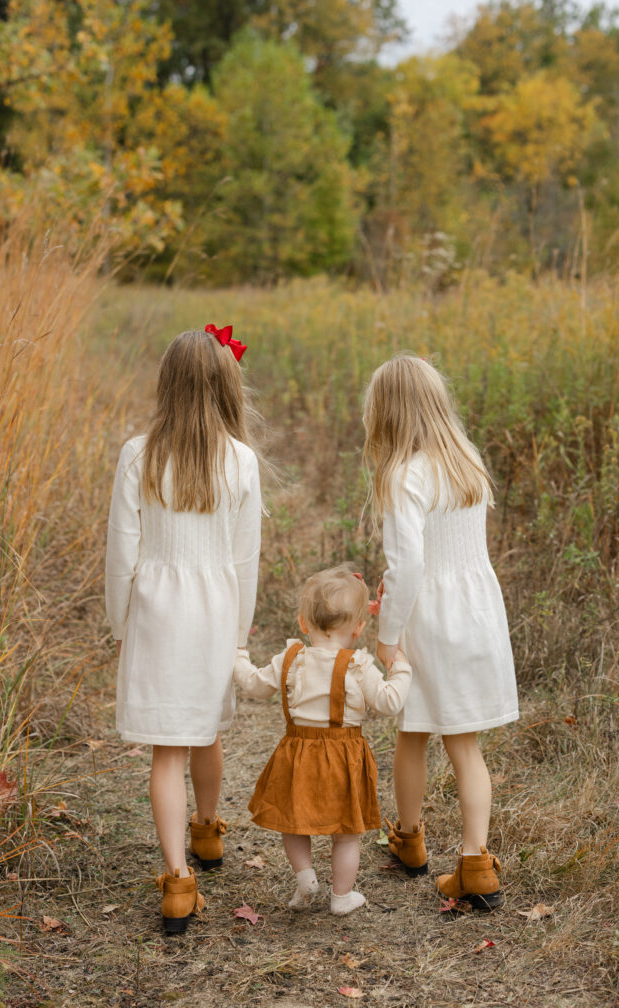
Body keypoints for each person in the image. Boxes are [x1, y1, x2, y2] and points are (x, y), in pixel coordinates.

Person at [105, 325, 261, 934]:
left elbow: (123, 552)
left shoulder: (138, 454)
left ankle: (177, 879)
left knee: (166, 751)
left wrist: (123, 620)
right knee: (206, 730)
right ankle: (208, 828)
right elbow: (246, 558)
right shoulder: (241, 459)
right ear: (226, 382)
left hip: (157, 610)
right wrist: (240, 634)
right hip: (216, 610)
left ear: (166, 383)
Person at [362, 355, 518, 910]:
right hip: (476, 609)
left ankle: (409, 838)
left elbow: (407, 568)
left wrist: (387, 634)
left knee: (412, 729)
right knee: (465, 745)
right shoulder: (466, 460)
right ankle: (476, 862)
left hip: (431, 616)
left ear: (387, 413)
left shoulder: (405, 474)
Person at [234, 565, 411, 916]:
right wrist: (401, 668)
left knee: (292, 822)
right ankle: (341, 897)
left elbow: (254, 685)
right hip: (344, 758)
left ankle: (305, 876)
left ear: (303, 623)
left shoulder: (289, 659)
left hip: (296, 754)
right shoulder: (359, 666)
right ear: (359, 629)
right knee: (346, 833)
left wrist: (237, 657)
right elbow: (390, 702)